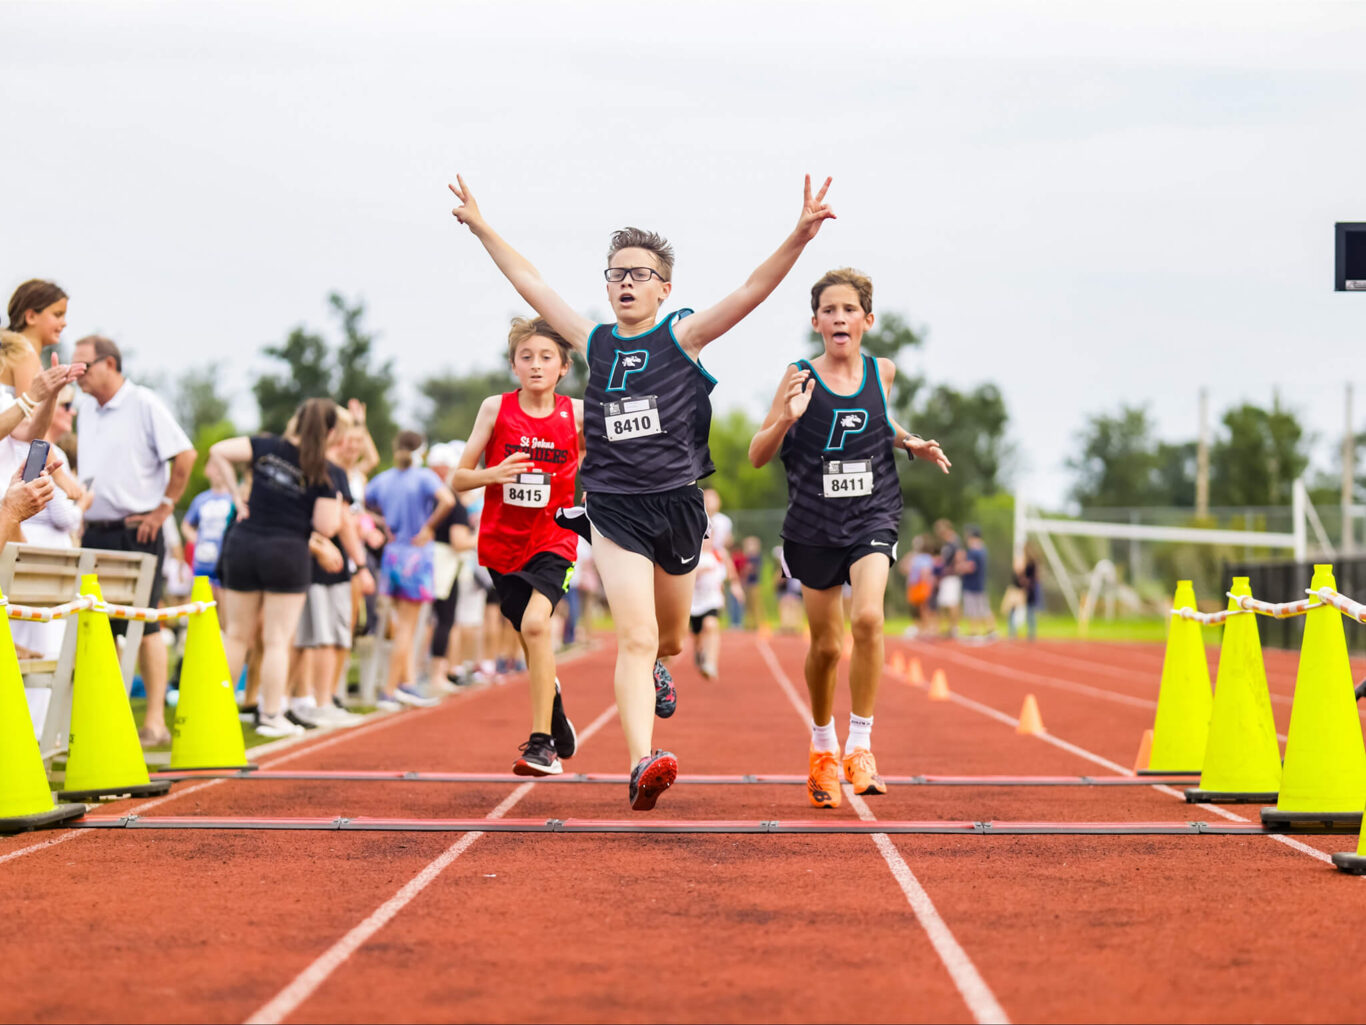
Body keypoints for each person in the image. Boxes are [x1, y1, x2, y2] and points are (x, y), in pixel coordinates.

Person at [449, 173, 835, 810]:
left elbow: (752, 290)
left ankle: (660, 665)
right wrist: (485, 226)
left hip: (678, 504)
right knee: (632, 636)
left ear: (665, 287)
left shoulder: (682, 337)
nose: (626, 282)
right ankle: (642, 762)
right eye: (616, 273)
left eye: (639, 273)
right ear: (607, 284)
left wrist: (798, 235)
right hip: (612, 506)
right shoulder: (593, 342)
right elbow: (533, 286)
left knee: (670, 638)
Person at [749, 267, 950, 809]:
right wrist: (787, 420)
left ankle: (860, 744)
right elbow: (756, 454)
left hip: (872, 515)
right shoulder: (797, 376)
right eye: (829, 310)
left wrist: (912, 442)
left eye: (849, 309)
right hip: (813, 524)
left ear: (867, 319)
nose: (840, 317)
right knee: (827, 646)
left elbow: (878, 421)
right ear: (815, 321)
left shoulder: (881, 371)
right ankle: (822, 745)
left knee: (867, 618)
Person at [450, 317, 584, 775]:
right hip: (501, 546)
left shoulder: (578, 414)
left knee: (534, 627)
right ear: (513, 365)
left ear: (564, 367)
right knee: (531, 639)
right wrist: (494, 473)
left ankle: (542, 744)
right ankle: (557, 709)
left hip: (554, 539)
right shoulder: (495, 409)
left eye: (546, 357)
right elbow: (458, 478)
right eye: (526, 357)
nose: (536, 365)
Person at [72, 334, 193, 747]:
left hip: (137, 529)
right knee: (97, 623)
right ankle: (104, 719)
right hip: (95, 530)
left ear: (110, 364)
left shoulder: (144, 402)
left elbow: (186, 454)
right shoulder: (85, 409)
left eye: (83, 366)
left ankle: (155, 722)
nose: (77, 375)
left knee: (146, 619)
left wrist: (164, 508)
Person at [208, 398, 354, 737]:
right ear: (331, 431)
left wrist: (235, 495)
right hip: (286, 552)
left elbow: (218, 450)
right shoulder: (325, 471)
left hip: (244, 544)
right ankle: (271, 714)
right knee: (276, 640)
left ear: (297, 420)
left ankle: (216, 712)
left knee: (236, 634)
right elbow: (326, 527)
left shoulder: (266, 445)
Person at [366, 430, 456, 710]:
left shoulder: (383, 479)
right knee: (407, 627)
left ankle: (405, 684)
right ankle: (389, 690)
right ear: (422, 450)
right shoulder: (424, 477)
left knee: (399, 623)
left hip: (392, 556)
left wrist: (383, 524)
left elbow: (362, 504)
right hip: (416, 556)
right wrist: (429, 526)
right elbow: (448, 500)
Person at [425, 441, 476, 692]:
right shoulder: (454, 502)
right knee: (444, 619)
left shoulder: (431, 494)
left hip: (430, 559)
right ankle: (437, 674)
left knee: (429, 620)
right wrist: (482, 537)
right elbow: (459, 542)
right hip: (443, 563)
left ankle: (429, 673)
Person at [181, 463, 237, 609]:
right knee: (202, 609)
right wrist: (197, 540)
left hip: (226, 562)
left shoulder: (234, 498)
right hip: (202, 563)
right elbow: (186, 525)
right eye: (214, 466)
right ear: (207, 470)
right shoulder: (200, 500)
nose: (218, 471)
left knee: (226, 611)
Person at [688, 535, 736, 679]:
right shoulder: (692, 554)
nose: (707, 541)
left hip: (712, 600)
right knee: (696, 634)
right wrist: (699, 572)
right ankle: (699, 651)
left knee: (711, 624)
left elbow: (729, 572)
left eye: (709, 537)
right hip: (694, 602)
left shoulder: (718, 554)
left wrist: (735, 585)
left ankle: (710, 663)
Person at [958, 526, 996, 639]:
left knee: (976, 609)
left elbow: (971, 566)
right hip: (978, 584)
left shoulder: (975, 551)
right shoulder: (983, 550)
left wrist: (960, 566)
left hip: (973, 585)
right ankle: (989, 630)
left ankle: (976, 631)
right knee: (983, 609)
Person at [899, 535, 935, 637]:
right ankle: (919, 627)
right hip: (913, 585)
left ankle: (927, 627)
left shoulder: (926, 557)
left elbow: (926, 571)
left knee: (924, 607)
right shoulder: (914, 557)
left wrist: (925, 584)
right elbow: (903, 568)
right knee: (915, 608)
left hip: (922, 584)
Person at [933, 519, 963, 638]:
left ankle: (955, 628)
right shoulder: (946, 544)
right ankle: (949, 628)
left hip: (952, 576)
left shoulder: (954, 541)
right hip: (945, 576)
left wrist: (955, 569)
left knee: (952, 602)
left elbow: (959, 556)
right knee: (944, 603)